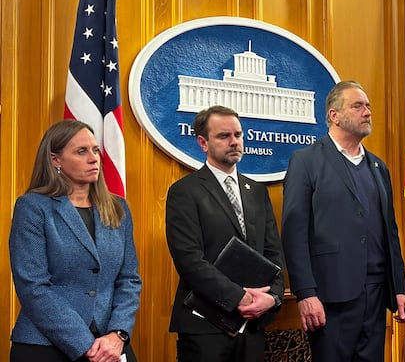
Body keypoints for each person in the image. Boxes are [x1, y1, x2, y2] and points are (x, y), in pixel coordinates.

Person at [281, 81, 405, 361]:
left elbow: (390, 232)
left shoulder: (379, 167)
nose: (367, 112)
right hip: (331, 297)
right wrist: (305, 293)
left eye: (368, 106)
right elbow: (294, 233)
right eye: (358, 106)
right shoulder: (306, 161)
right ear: (334, 115)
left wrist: (399, 288)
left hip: (376, 295)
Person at [9, 119, 141, 362]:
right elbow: (33, 286)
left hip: (110, 345)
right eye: (81, 151)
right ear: (55, 160)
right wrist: (86, 345)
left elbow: (129, 279)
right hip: (45, 345)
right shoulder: (33, 207)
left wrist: (118, 334)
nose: (93, 158)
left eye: (95, 150)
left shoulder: (117, 208)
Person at [166, 105, 285, 362]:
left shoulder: (256, 191)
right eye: (224, 136)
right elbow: (189, 260)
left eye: (238, 135)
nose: (234, 142)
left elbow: (273, 253)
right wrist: (238, 297)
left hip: (252, 325)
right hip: (205, 327)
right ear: (203, 142)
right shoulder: (184, 192)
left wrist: (272, 298)